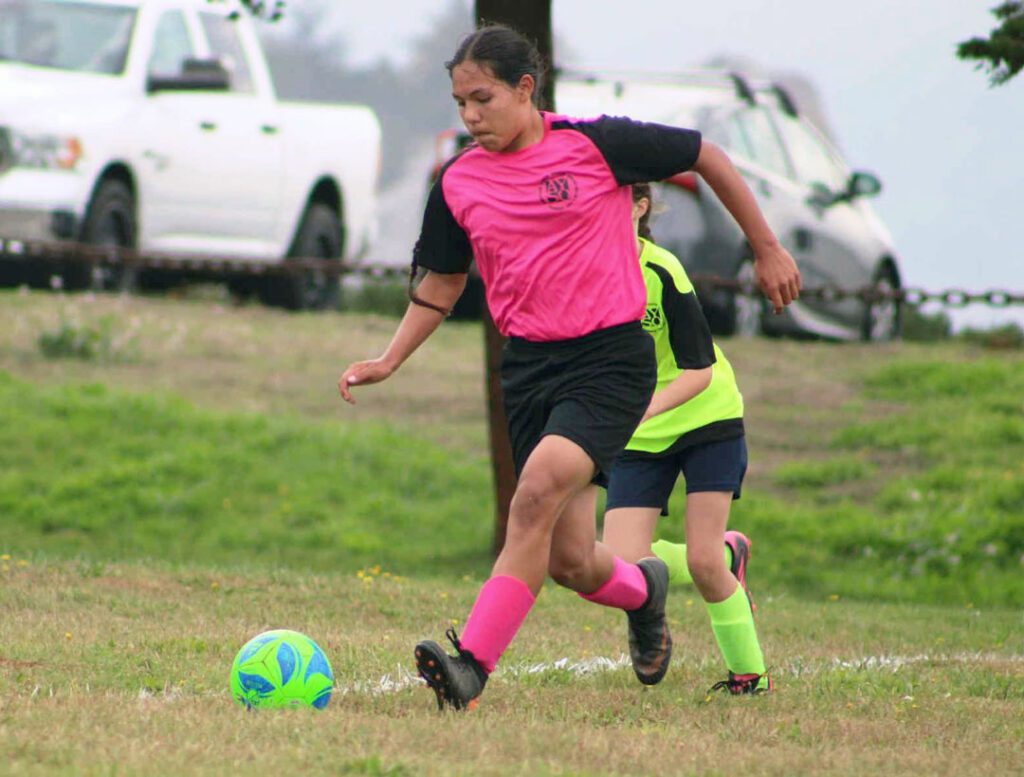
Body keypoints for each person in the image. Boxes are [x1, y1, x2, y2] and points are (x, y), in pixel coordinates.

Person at [338, 24, 800, 711]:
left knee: (532, 494)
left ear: (526, 88)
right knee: (571, 558)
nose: (470, 116)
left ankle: (471, 666)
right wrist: (389, 357)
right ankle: (645, 591)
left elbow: (706, 155)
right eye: (460, 102)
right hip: (527, 369)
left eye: (483, 98)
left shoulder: (595, 143)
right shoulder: (458, 182)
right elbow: (440, 284)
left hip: (609, 360)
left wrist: (766, 247)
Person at [601, 183, 771, 696]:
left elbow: (698, 370)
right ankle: (727, 554)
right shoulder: (585, 273)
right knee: (621, 565)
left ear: (640, 206)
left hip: (706, 415)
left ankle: (750, 676)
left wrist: (643, 408)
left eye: (614, 206)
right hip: (640, 429)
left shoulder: (662, 271)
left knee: (699, 563)